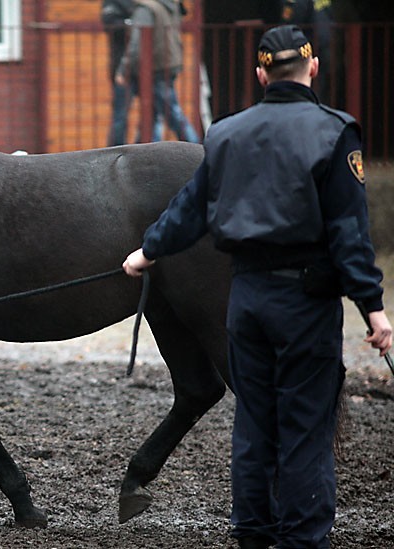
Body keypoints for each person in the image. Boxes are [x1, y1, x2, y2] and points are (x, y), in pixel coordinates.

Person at [122, 25, 391, 548]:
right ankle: (302, 540)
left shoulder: (224, 134)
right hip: (306, 304)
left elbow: (189, 209)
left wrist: (147, 250)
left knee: (253, 429)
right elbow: (350, 235)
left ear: (261, 74)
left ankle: (253, 536)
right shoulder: (336, 132)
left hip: (246, 301)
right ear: (313, 69)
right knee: (305, 431)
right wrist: (374, 310)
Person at [114, 0, 198, 143]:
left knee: (172, 114)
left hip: (155, 66)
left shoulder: (146, 9)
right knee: (156, 116)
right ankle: (147, 152)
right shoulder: (170, 5)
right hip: (168, 63)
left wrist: (124, 69)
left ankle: (197, 148)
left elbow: (136, 44)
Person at [101, 0, 136, 146]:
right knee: (120, 115)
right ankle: (116, 152)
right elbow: (110, 25)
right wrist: (133, 24)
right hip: (122, 67)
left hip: (148, 67)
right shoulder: (112, 3)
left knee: (155, 114)